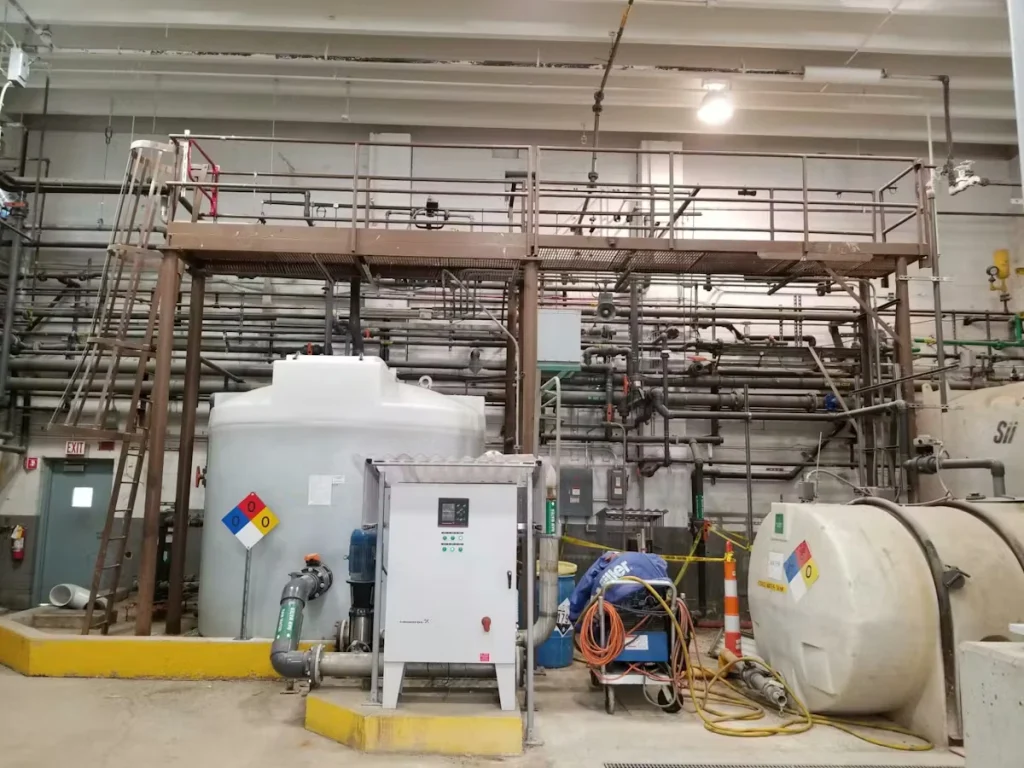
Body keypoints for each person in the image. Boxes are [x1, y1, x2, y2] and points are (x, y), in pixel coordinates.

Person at [568, 550, 669, 623]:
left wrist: (575, 615)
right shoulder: (648, 559)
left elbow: (585, 583)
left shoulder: (605, 563)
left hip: (606, 603)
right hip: (655, 592)